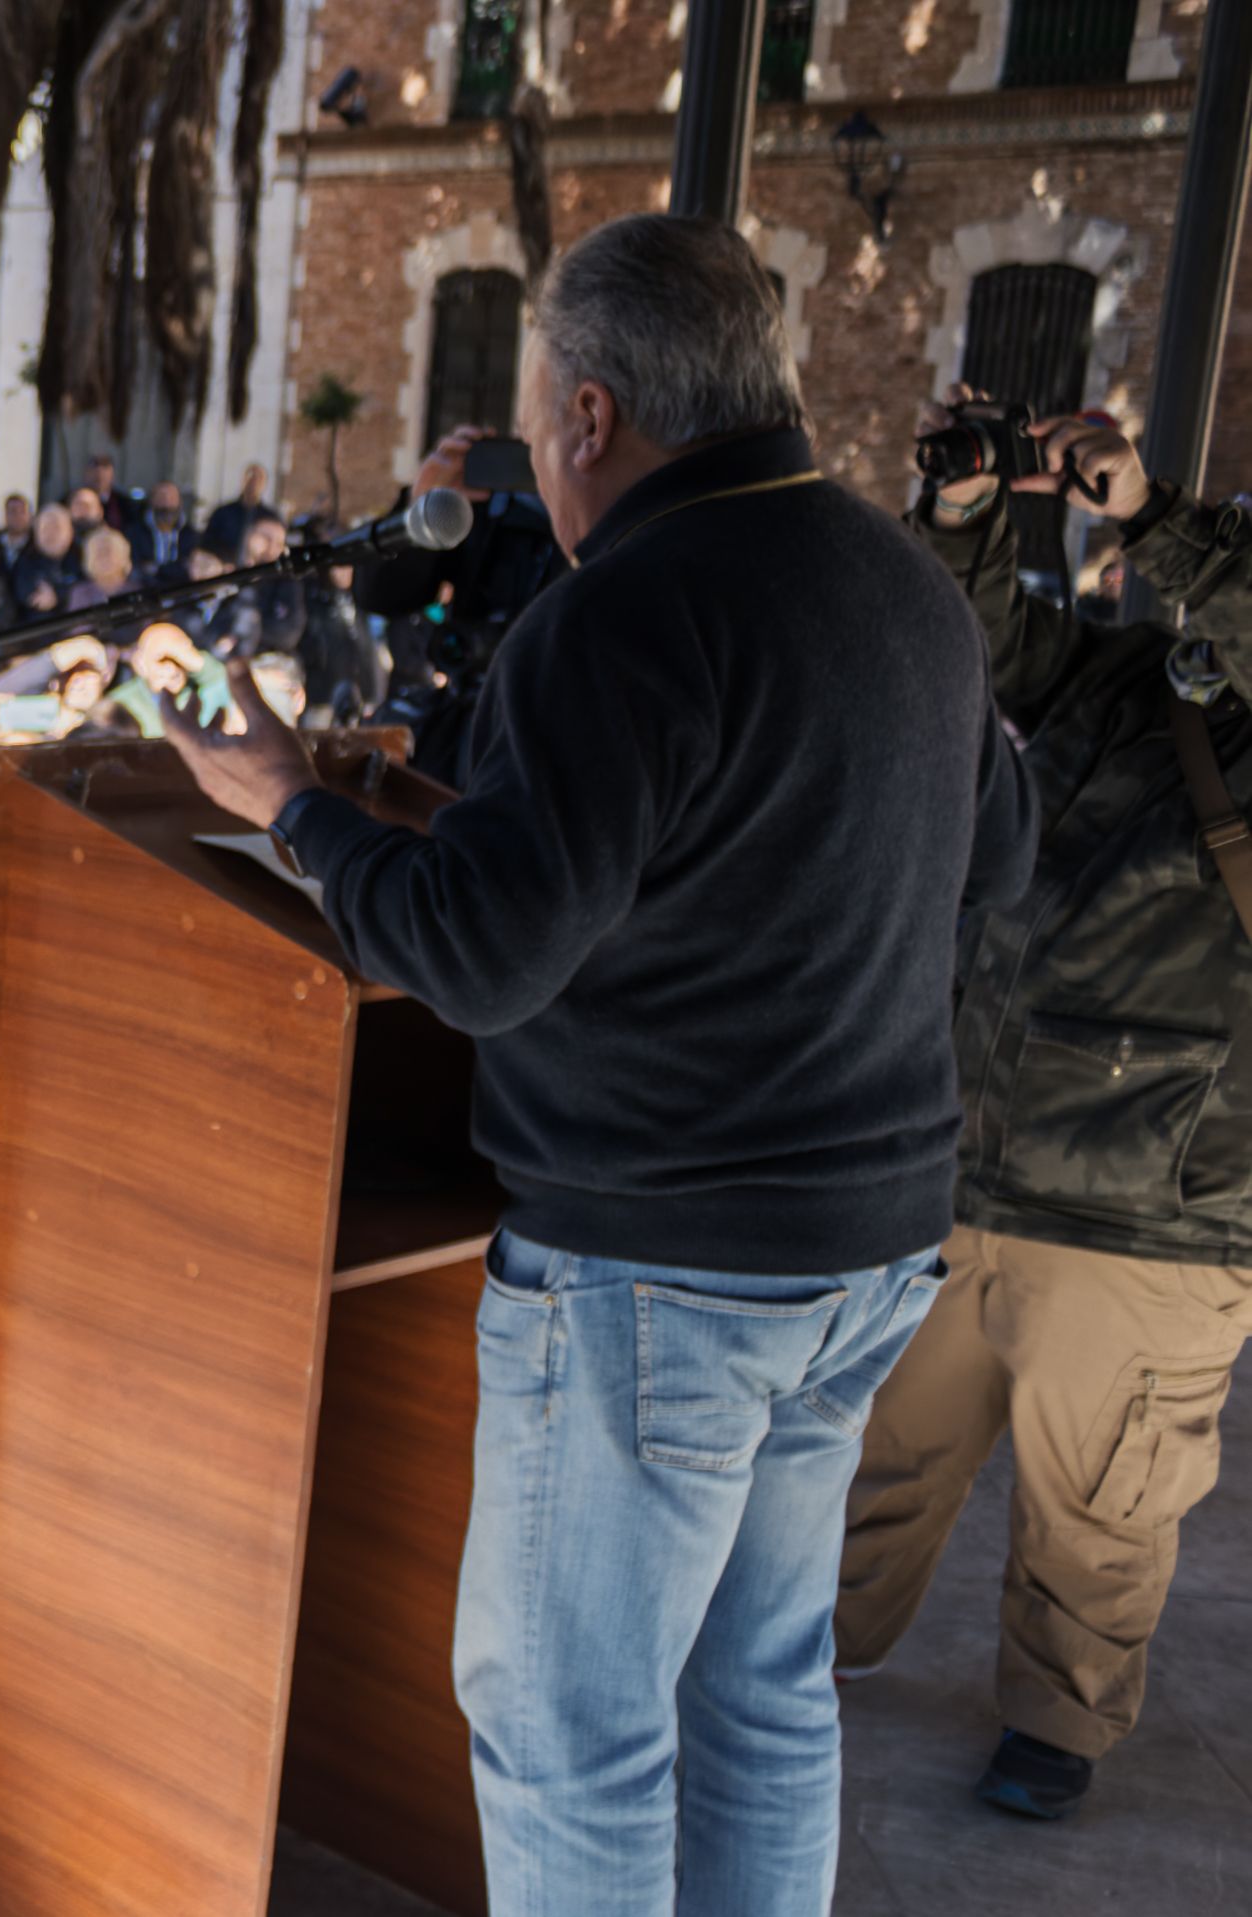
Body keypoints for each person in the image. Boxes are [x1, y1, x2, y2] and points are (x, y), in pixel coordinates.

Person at [160, 213, 1038, 1914]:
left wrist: (294, 809)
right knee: (762, 1689)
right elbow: (994, 856)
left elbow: (483, 955)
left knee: (572, 1720)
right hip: (867, 1248)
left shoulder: (620, 616)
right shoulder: (903, 585)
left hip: (665, 1269)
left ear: (584, 413)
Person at [834, 401, 1252, 1822]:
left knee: (1106, 1499)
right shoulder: (1143, 680)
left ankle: (1057, 1723)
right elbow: (976, 658)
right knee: (878, 1444)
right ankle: (813, 1649)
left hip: (1160, 1206)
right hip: (969, 1153)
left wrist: (1147, 514)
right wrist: (962, 515)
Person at [359, 422, 569, 785]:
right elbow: (380, 594)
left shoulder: (626, 519)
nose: (525, 428)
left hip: (560, 744)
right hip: (471, 733)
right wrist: (420, 509)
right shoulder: (495, 503)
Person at [203, 465, 272, 564]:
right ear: (243, 480)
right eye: (250, 478)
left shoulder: (270, 518)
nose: (253, 483)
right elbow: (207, 543)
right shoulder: (222, 513)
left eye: (258, 479)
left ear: (264, 484)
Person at [137, 482, 196, 585]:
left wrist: (157, 569)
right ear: (151, 501)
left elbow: (191, 569)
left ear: (180, 502)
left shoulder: (192, 536)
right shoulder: (135, 533)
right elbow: (137, 569)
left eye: (172, 498)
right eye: (161, 498)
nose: (167, 504)